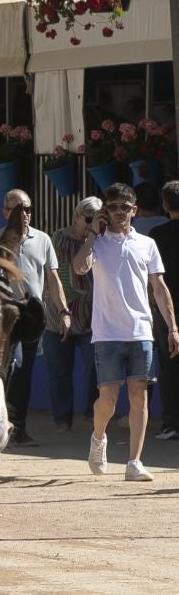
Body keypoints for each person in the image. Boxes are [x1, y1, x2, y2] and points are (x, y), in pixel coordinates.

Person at [75, 182, 179, 480]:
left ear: (134, 210)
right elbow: (80, 267)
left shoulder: (147, 244)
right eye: (113, 206)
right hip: (106, 333)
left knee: (139, 397)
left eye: (125, 206)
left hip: (141, 331)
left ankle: (134, 462)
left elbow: (159, 288)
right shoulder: (97, 243)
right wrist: (94, 232)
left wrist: (172, 327)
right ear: (105, 211)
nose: (119, 211)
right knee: (107, 399)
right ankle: (98, 438)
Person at [0, 189, 68, 447]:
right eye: (17, 209)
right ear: (5, 212)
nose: (24, 214)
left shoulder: (43, 240)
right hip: (2, 319)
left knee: (23, 373)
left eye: (27, 209)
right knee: (7, 370)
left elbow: (53, 278)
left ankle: (18, 427)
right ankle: (0, 426)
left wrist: (63, 311)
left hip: (31, 318)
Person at [47, 198, 102, 431]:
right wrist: (61, 311)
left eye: (97, 220)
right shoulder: (57, 238)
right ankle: (62, 419)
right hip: (58, 314)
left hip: (91, 316)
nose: (91, 224)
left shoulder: (100, 240)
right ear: (77, 216)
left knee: (95, 369)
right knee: (59, 371)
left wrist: (93, 236)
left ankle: (91, 413)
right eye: (88, 219)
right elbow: (54, 274)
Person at [154, 181, 179, 440]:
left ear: (165, 205)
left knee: (169, 366)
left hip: (167, 309)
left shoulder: (157, 236)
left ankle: (171, 422)